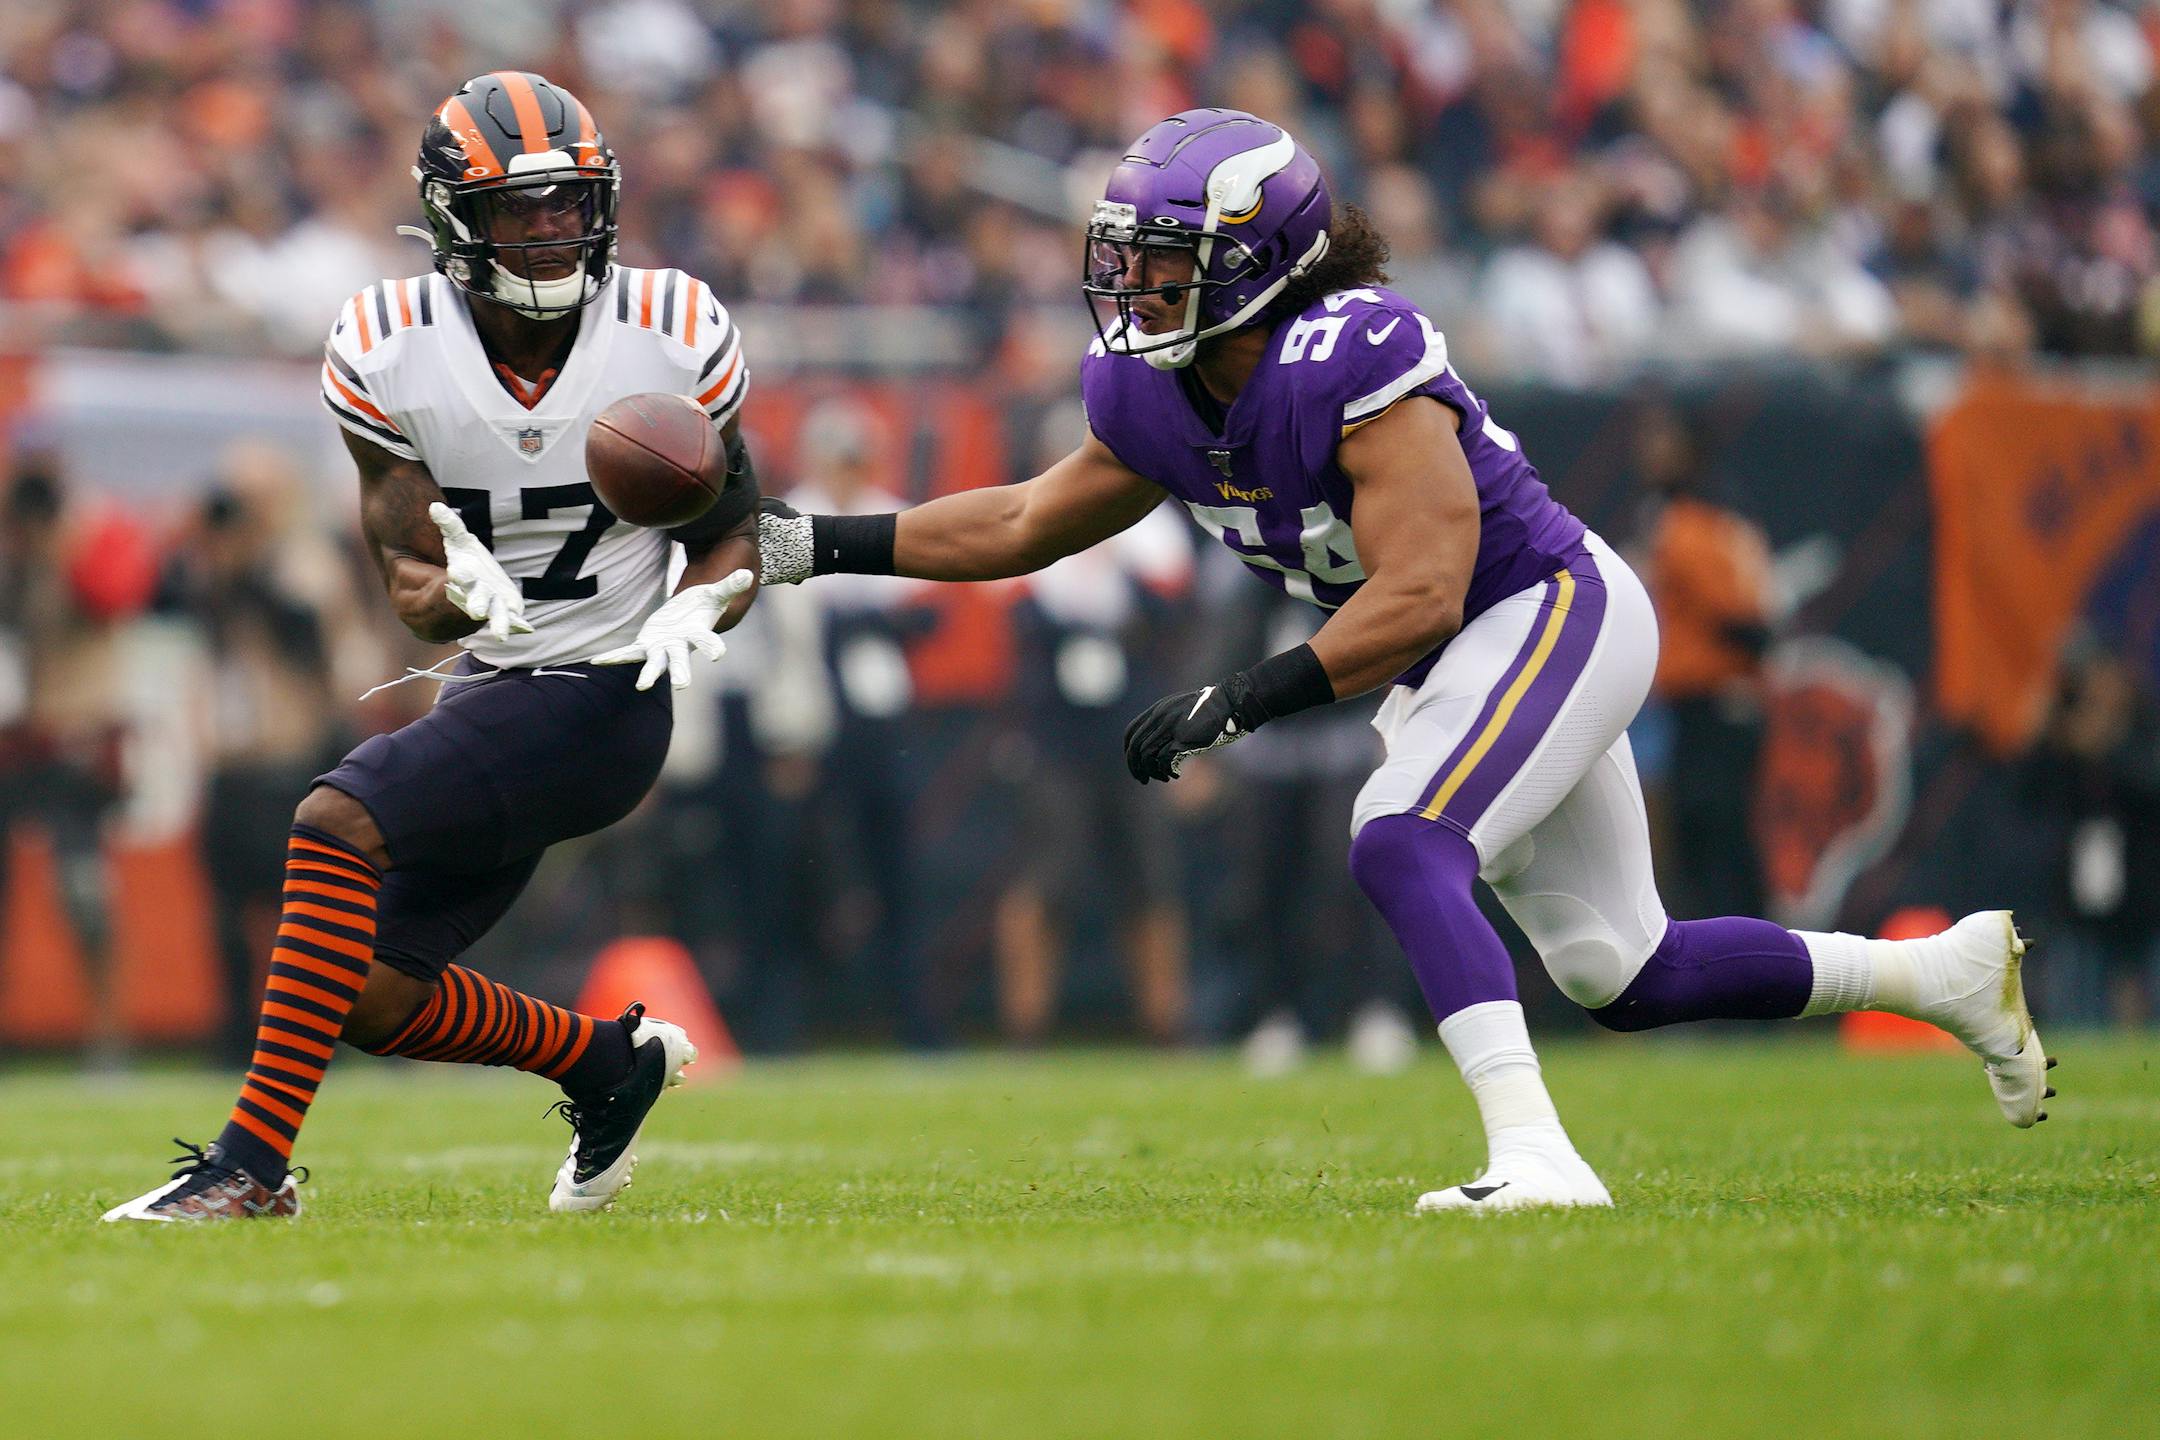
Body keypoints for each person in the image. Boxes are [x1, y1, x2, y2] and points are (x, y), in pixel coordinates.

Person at [759, 108, 2054, 1211]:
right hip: (1474, 647)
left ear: (1259, 266)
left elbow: (1430, 588)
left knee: (1399, 833)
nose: (1135, 288)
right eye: (1131, 259)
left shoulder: (1351, 350)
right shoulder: (1150, 392)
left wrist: (1242, 698)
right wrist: (796, 544)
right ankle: (1939, 974)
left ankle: (1535, 1156)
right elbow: (1023, 519)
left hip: (1550, 607)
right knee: (1623, 971)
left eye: (1167, 263)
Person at [104, 72, 761, 1222]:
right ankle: (609, 1064)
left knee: (334, 819)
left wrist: (705, 601)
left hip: (609, 693)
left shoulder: (670, 328)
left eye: (571, 204)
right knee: (368, 995)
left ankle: (248, 1167)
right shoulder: (386, 344)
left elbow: (732, 537)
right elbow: (407, 579)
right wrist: (456, 591)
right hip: (493, 689)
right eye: (524, 209)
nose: (555, 231)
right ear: (458, 219)